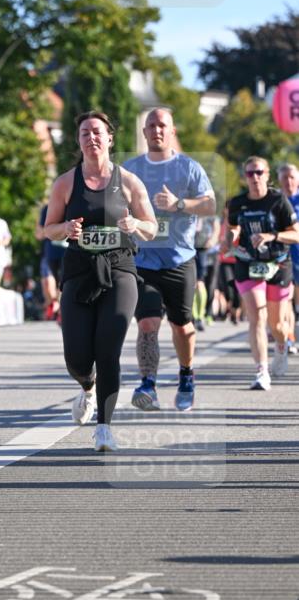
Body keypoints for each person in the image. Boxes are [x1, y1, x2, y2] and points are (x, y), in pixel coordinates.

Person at [44, 112, 157, 452]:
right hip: (79, 270)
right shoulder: (66, 183)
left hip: (120, 269)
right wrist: (65, 229)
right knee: (77, 357)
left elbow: (152, 227)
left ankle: (104, 427)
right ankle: (87, 386)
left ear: (109, 138)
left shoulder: (130, 182)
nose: (91, 138)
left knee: (108, 350)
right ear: (78, 141)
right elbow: (48, 229)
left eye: (97, 132)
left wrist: (135, 224)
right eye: (84, 133)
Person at [124, 107, 216, 412]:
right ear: (144, 132)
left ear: (172, 131)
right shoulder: (130, 169)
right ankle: (147, 384)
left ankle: (186, 375)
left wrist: (179, 204)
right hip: (143, 260)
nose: (157, 130)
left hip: (179, 259)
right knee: (147, 323)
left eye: (162, 125)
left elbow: (210, 205)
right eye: (151, 125)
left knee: (182, 327)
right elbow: (113, 203)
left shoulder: (189, 167)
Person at [227, 156, 299, 389]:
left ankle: (282, 346)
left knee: (277, 325)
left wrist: (272, 236)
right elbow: (233, 227)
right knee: (257, 317)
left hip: (278, 263)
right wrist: (231, 237)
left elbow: (296, 234)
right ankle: (261, 372)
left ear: (267, 175)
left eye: (259, 172)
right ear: (245, 177)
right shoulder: (237, 202)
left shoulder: (278, 201)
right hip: (248, 262)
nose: (255, 177)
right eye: (250, 173)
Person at [277, 163, 299, 354]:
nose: (289, 181)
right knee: (286, 301)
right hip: (282, 257)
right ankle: (290, 339)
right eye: (285, 177)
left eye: (292, 177)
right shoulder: (275, 201)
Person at [35, 204, 66, 320]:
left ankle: (61, 310)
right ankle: (53, 304)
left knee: (63, 282)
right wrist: (55, 230)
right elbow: (39, 233)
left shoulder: (72, 204)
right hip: (50, 252)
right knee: (48, 282)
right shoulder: (47, 208)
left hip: (68, 251)